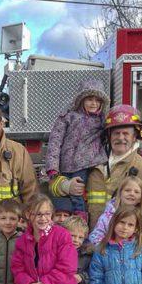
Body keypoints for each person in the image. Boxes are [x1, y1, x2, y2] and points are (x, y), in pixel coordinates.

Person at [51, 104, 142, 228]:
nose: (120, 138)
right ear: (109, 135)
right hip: (83, 238)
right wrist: (66, 186)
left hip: (119, 242)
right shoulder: (89, 159)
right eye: (116, 133)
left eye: (126, 134)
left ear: (135, 137)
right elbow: (52, 185)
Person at [46, 79, 109, 221]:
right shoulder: (68, 116)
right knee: (62, 194)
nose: (94, 103)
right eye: (90, 99)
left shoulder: (102, 120)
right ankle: (62, 221)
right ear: (81, 100)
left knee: (77, 193)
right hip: (67, 162)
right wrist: (52, 167)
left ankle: (80, 220)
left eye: (97, 100)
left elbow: (112, 135)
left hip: (87, 162)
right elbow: (55, 141)